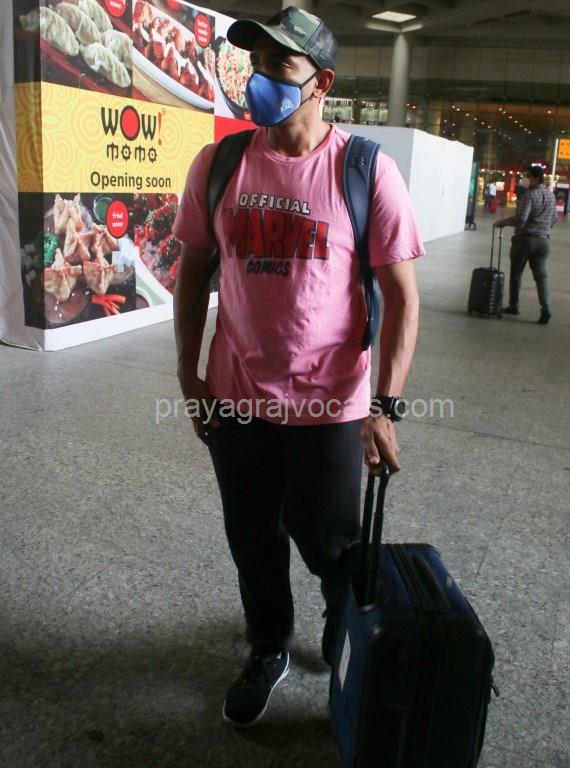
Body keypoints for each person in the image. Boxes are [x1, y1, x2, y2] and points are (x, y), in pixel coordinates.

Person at [172, 5, 423, 728]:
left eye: (280, 65)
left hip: (329, 406)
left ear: (322, 82)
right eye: (256, 64)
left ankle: (343, 632)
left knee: (330, 544)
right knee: (252, 539)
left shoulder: (364, 170)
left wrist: (384, 408)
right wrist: (189, 374)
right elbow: (192, 277)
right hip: (236, 396)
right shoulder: (219, 164)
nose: (261, 79)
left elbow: (403, 300)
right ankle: (268, 646)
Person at [494, 165, 557, 324]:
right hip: (543, 241)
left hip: (525, 240)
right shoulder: (551, 195)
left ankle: (514, 305)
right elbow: (554, 219)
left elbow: (521, 219)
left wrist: (502, 222)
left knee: (516, 273)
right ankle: (546, 308)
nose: (524, 179)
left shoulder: (529, 195)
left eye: (527, 176)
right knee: (541, 276)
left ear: (535, 178)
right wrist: (544, 229)